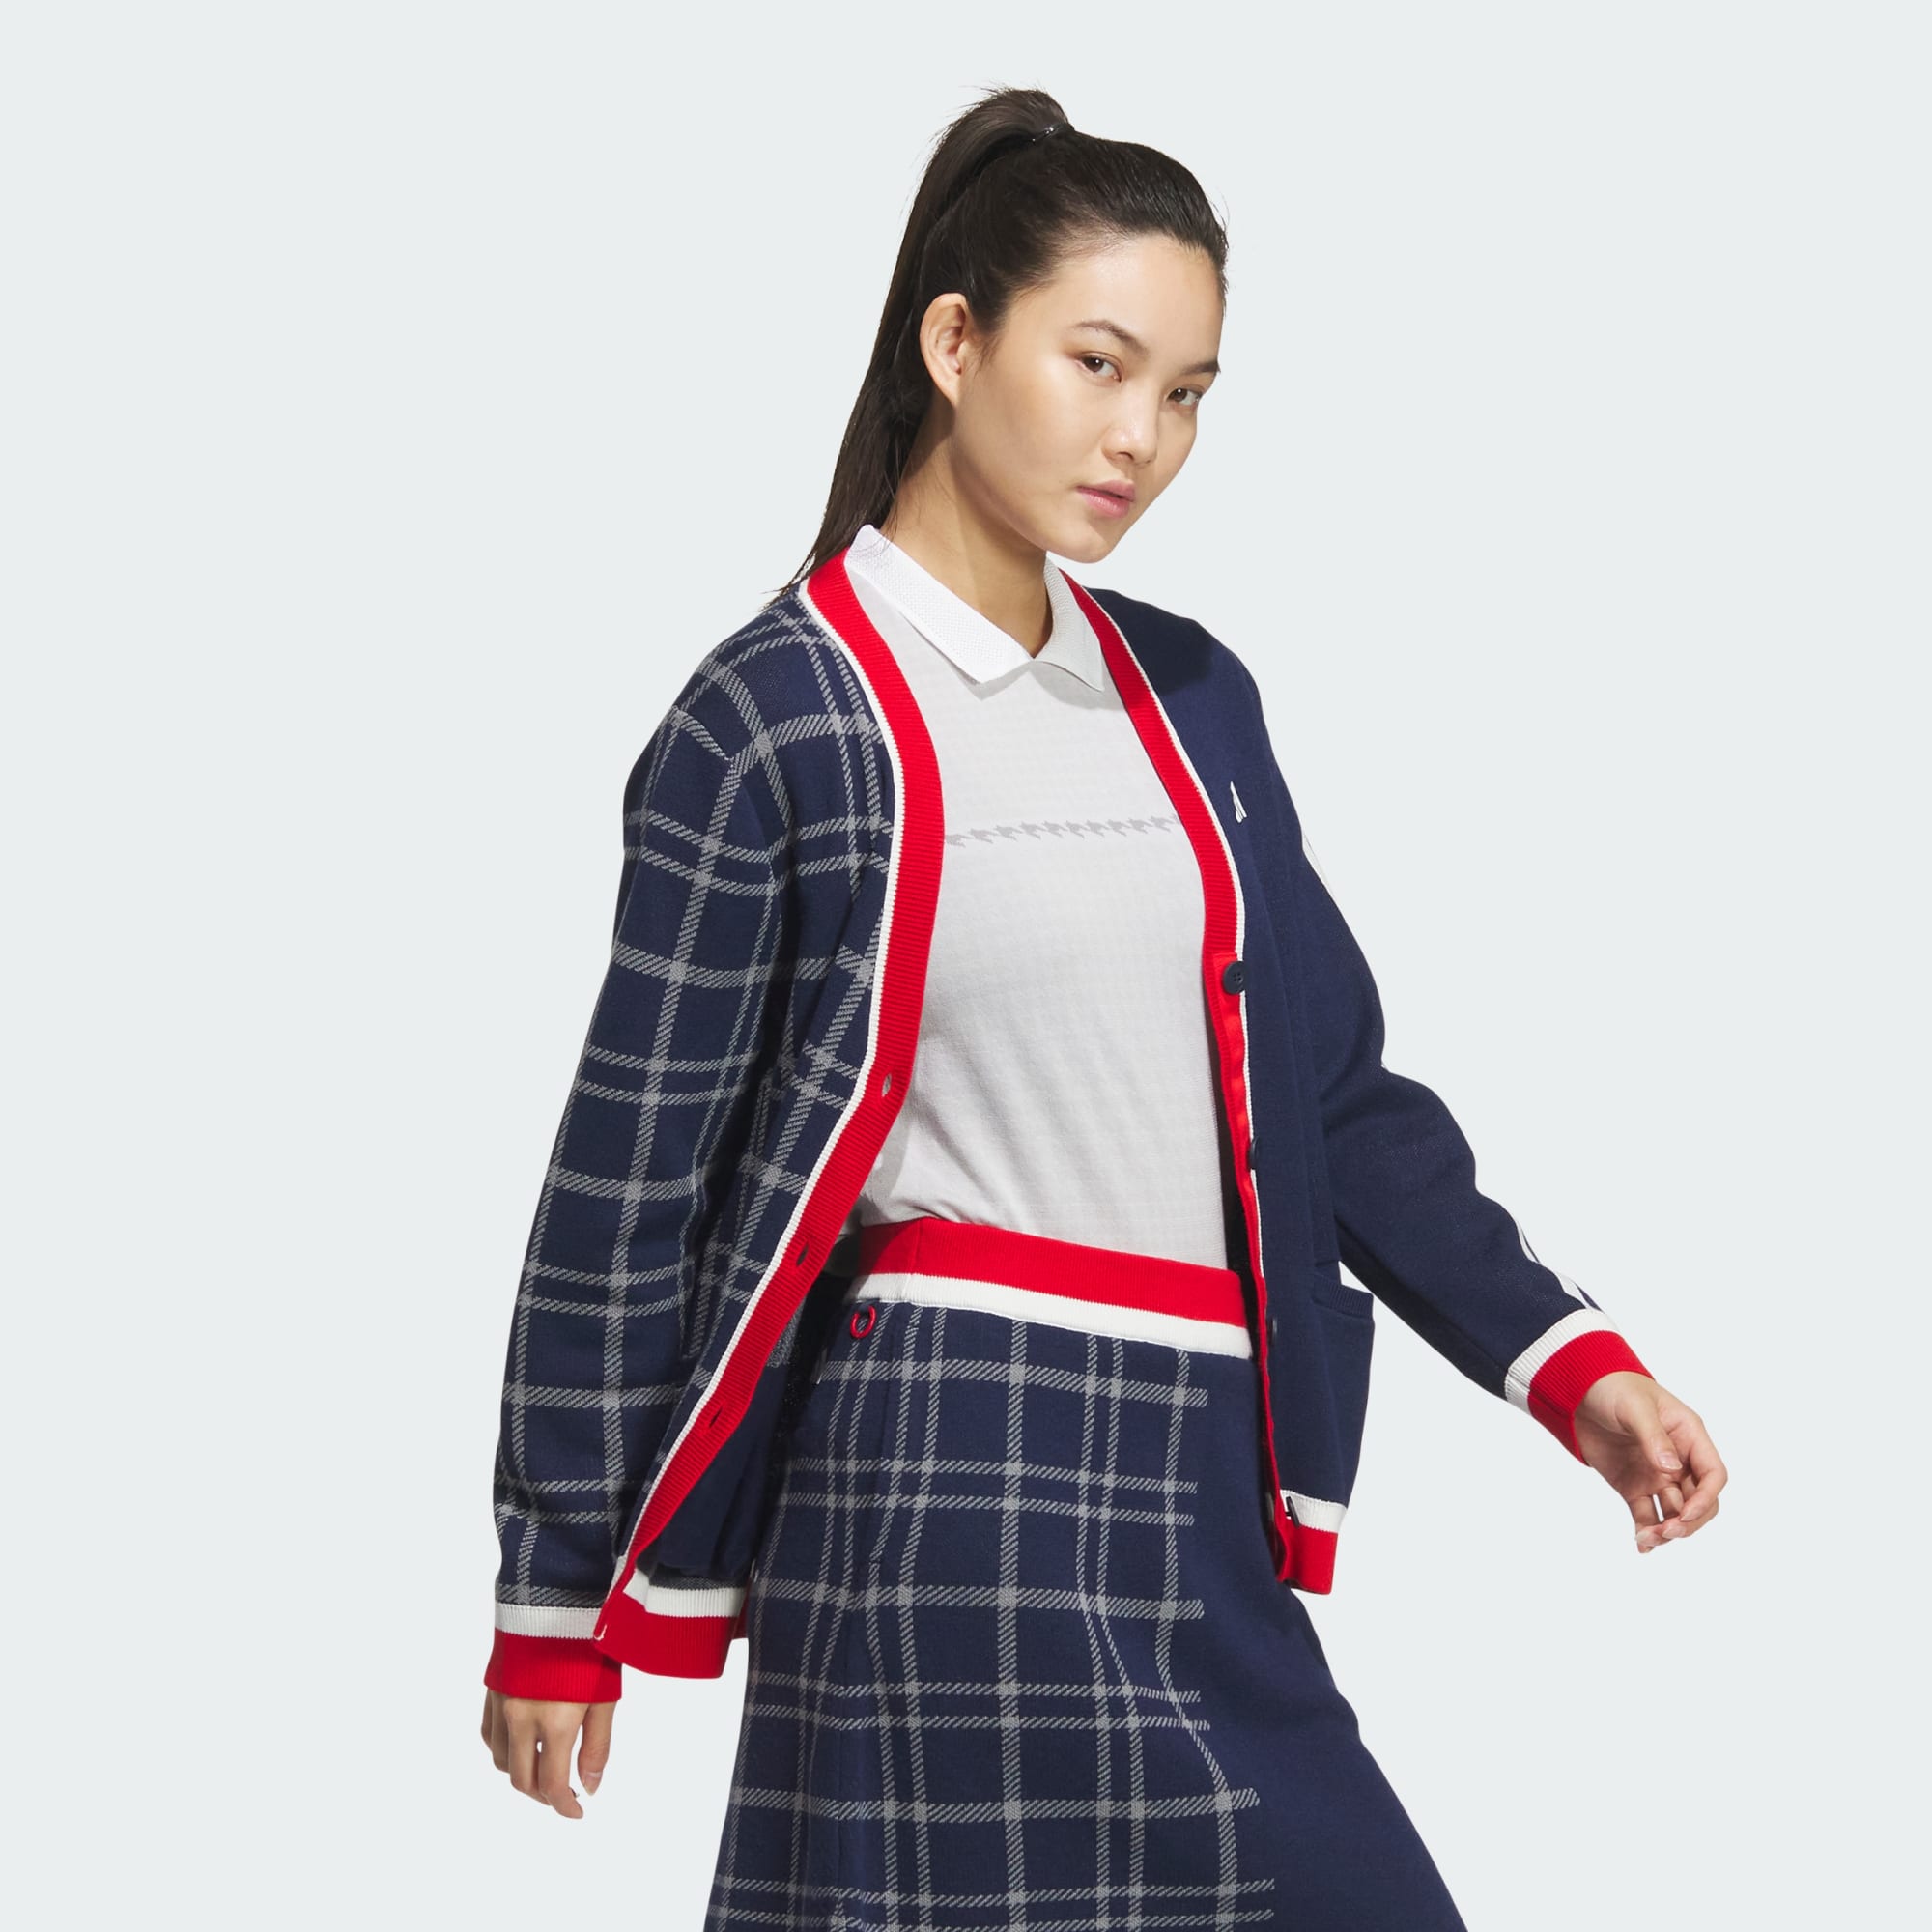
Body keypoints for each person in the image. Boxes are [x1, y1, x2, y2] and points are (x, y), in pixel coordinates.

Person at [477, 84, 1727, 1928]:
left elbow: (1330, 1095)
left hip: (1201, 1468)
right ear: (955, 343)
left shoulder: (1192, 698)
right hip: (943, 1477)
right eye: (1100, 364)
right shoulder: (777, 718)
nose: (1143, 437)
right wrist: (553, 1595)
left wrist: (1567, 1360)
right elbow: (628, 1181)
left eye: (1191, 392)